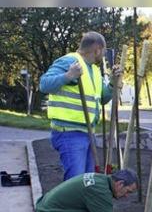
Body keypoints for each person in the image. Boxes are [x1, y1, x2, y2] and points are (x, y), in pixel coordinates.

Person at [39, 31, 122, 180]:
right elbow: (44, 84)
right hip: (69, 133)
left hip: (87, 133)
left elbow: (102, 98)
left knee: (87, 182)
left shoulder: (95, 70)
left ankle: (81, 204)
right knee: (75, 182)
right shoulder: (69, 62)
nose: (104, 55)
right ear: (97, 49)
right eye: (104, 51)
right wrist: (68, 76)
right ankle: (69, 204)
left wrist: (112, 83)